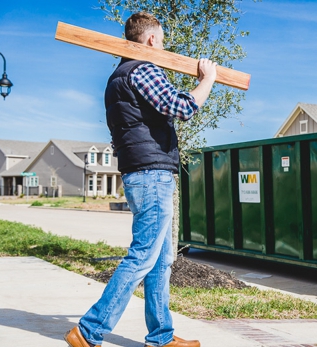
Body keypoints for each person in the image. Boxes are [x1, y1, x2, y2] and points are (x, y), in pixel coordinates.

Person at [64, 12, 217, 347]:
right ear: (150, 40)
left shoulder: (117, 77)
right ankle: (88, 331)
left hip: (141, 172)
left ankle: (160, 336)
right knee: (144, 255)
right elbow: (181, 106)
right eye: (161, 41)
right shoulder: (143, 68)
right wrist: (208, 78)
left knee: (161, 260)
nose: (162, 46)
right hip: (152, 174)